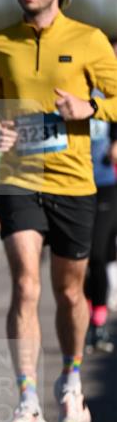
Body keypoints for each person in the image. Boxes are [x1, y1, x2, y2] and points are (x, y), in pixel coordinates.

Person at [0, 0, 117, 422]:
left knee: (69, 290)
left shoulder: (89, 39)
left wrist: (90, 108)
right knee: (25, 284)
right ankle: (26, 400)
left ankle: (71, 380)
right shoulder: (0, 42)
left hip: (74, 181)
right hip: (18, 178)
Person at [84, 34, 117, 353]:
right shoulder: (74, 87)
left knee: (97, 255)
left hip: (106, 182)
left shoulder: (111, 94)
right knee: (78, 259)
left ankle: (99, 323)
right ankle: (88, 318)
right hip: (73, 182)